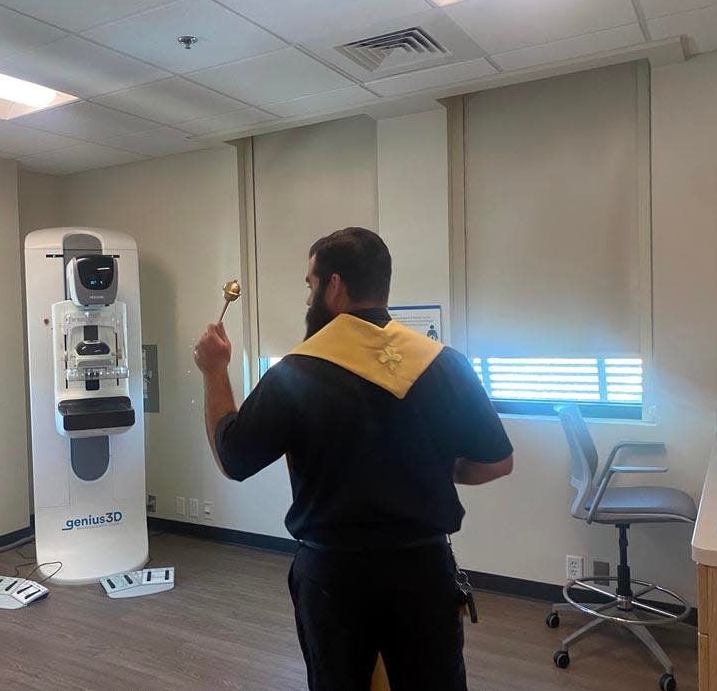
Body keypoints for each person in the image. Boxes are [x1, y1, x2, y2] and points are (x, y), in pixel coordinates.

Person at [193, 227, 514, 691]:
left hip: (333, 578)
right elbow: (496, 462)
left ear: (335, 286)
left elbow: (233, 458)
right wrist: (432, 469)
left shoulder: (295, 372)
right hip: (422, 570)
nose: (308, 300)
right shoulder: (445, 363)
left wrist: (215, 372)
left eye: (310, 284)